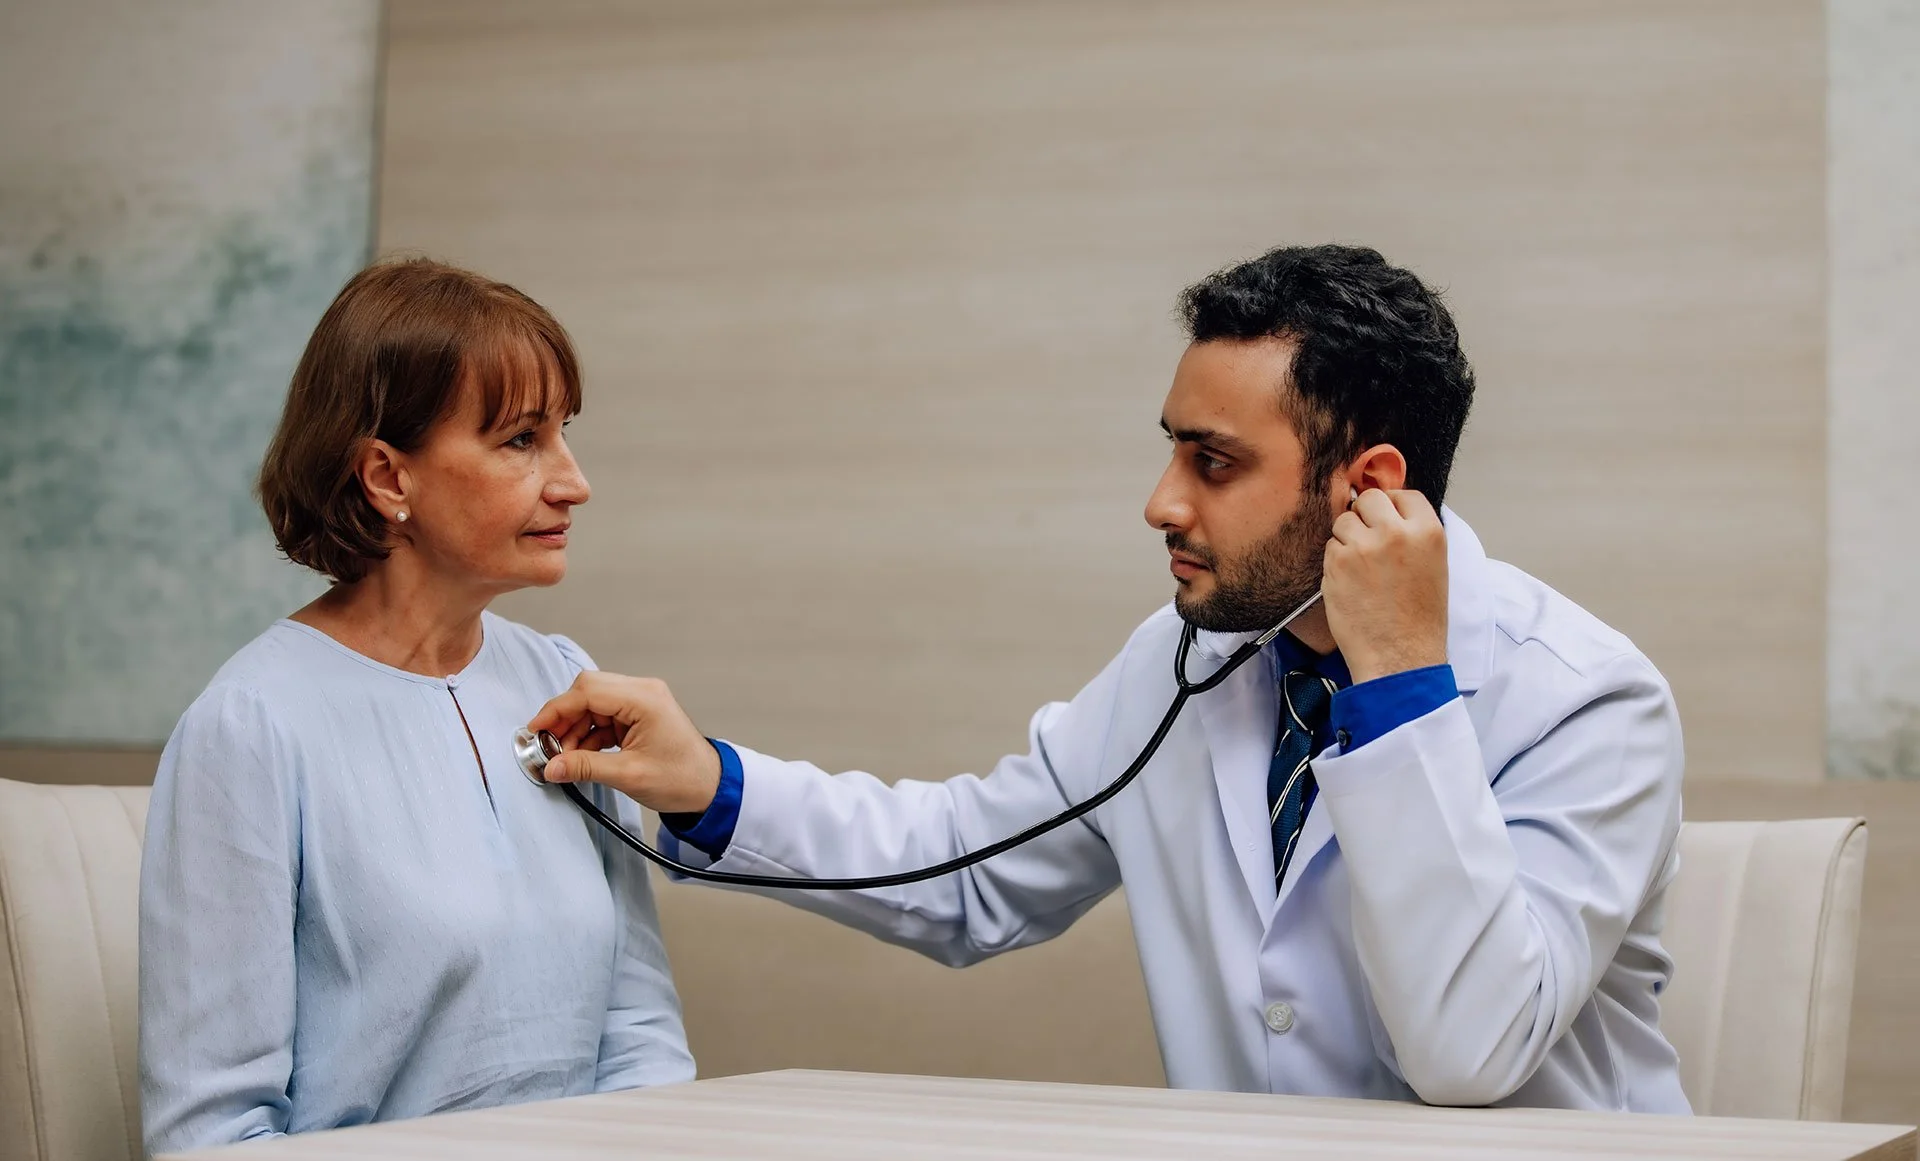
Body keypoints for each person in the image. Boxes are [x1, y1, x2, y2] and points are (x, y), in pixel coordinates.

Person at [530, 244, 1690, 1112]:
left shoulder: (1586, 700)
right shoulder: (1190, 663)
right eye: (1173, 446)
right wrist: (707, 787)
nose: (1162, 502)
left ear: (1365, 483)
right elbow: (968, 867)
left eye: (1214, 461)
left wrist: (1395, 684)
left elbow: (1469, 1052)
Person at [139, 258, 695, 1154]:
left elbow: (638, 1040)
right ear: (387, 478)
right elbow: (211, 1137)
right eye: (522, 439)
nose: (573, 481)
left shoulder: (562, 679)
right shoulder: (251, 726)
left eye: (564, 434)